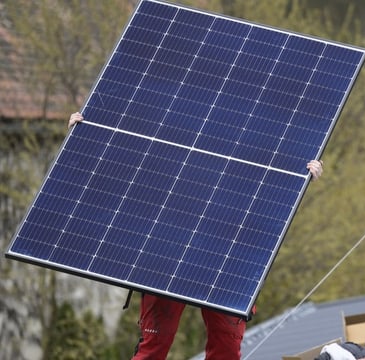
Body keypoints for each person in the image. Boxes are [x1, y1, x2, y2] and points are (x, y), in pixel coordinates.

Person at [68, 112, 324, 359]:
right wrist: (88, 135)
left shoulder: (259, 135)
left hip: (228, 256)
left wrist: (301, 176)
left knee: (226, 350)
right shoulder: (173, 124)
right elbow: (124, 159)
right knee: (154, 347)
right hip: (166, 249)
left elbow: (276, 181)